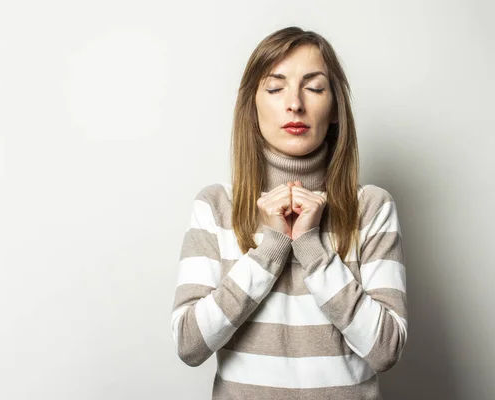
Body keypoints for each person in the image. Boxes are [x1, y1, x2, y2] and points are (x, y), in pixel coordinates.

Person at [170, 26, 407, 399]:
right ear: (252, 105)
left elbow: (385, 350)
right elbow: (189, 344)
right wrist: (270, 249)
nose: (294, 103)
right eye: (275, 88)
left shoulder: (372, 208)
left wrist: (312, 249)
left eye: (314, 88)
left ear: (335, 110)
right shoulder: (215, 206)